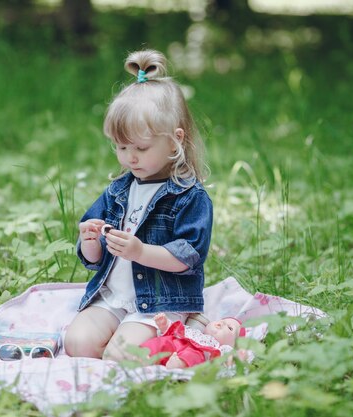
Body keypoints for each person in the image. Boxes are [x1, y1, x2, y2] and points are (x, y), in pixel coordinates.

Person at [64, 49, 213, 361]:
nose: (130, 157)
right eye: (121, 147)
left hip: (160, 300)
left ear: (175, 140)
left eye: (141, 148)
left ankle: (181, 329)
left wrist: (140, 252)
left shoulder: (188, 196)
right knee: (77, 344)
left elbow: (189, 256)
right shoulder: (119, 190)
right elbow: (93, 258)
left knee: (122, 357)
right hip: (113, 296)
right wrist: (90, 241)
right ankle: (132, 338)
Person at [141, 313, 246, 369]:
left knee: (193, 355)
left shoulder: (221, 348)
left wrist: (237, 358)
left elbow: (228, 362)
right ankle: (144, 354)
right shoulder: (195, 332)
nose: (221, 324)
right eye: (222, 321)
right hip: (177, 343)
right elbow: (177, 331)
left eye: (230, 328)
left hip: (198, 352)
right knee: (164, 341)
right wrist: (165, 326)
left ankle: (180, 365)